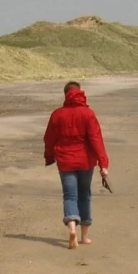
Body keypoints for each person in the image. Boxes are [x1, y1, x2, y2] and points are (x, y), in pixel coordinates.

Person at [44, 81, 109, 249]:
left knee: (70, 195)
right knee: (85, 194)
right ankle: (85, 237)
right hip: (85, 161)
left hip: (65, 161)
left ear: (66, 94)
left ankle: (72, 226)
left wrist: (49, 157)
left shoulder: (57, 114)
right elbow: (96, 139)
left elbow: (49, 139)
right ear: (80, 92)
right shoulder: (88, 113)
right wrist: (103, 164)